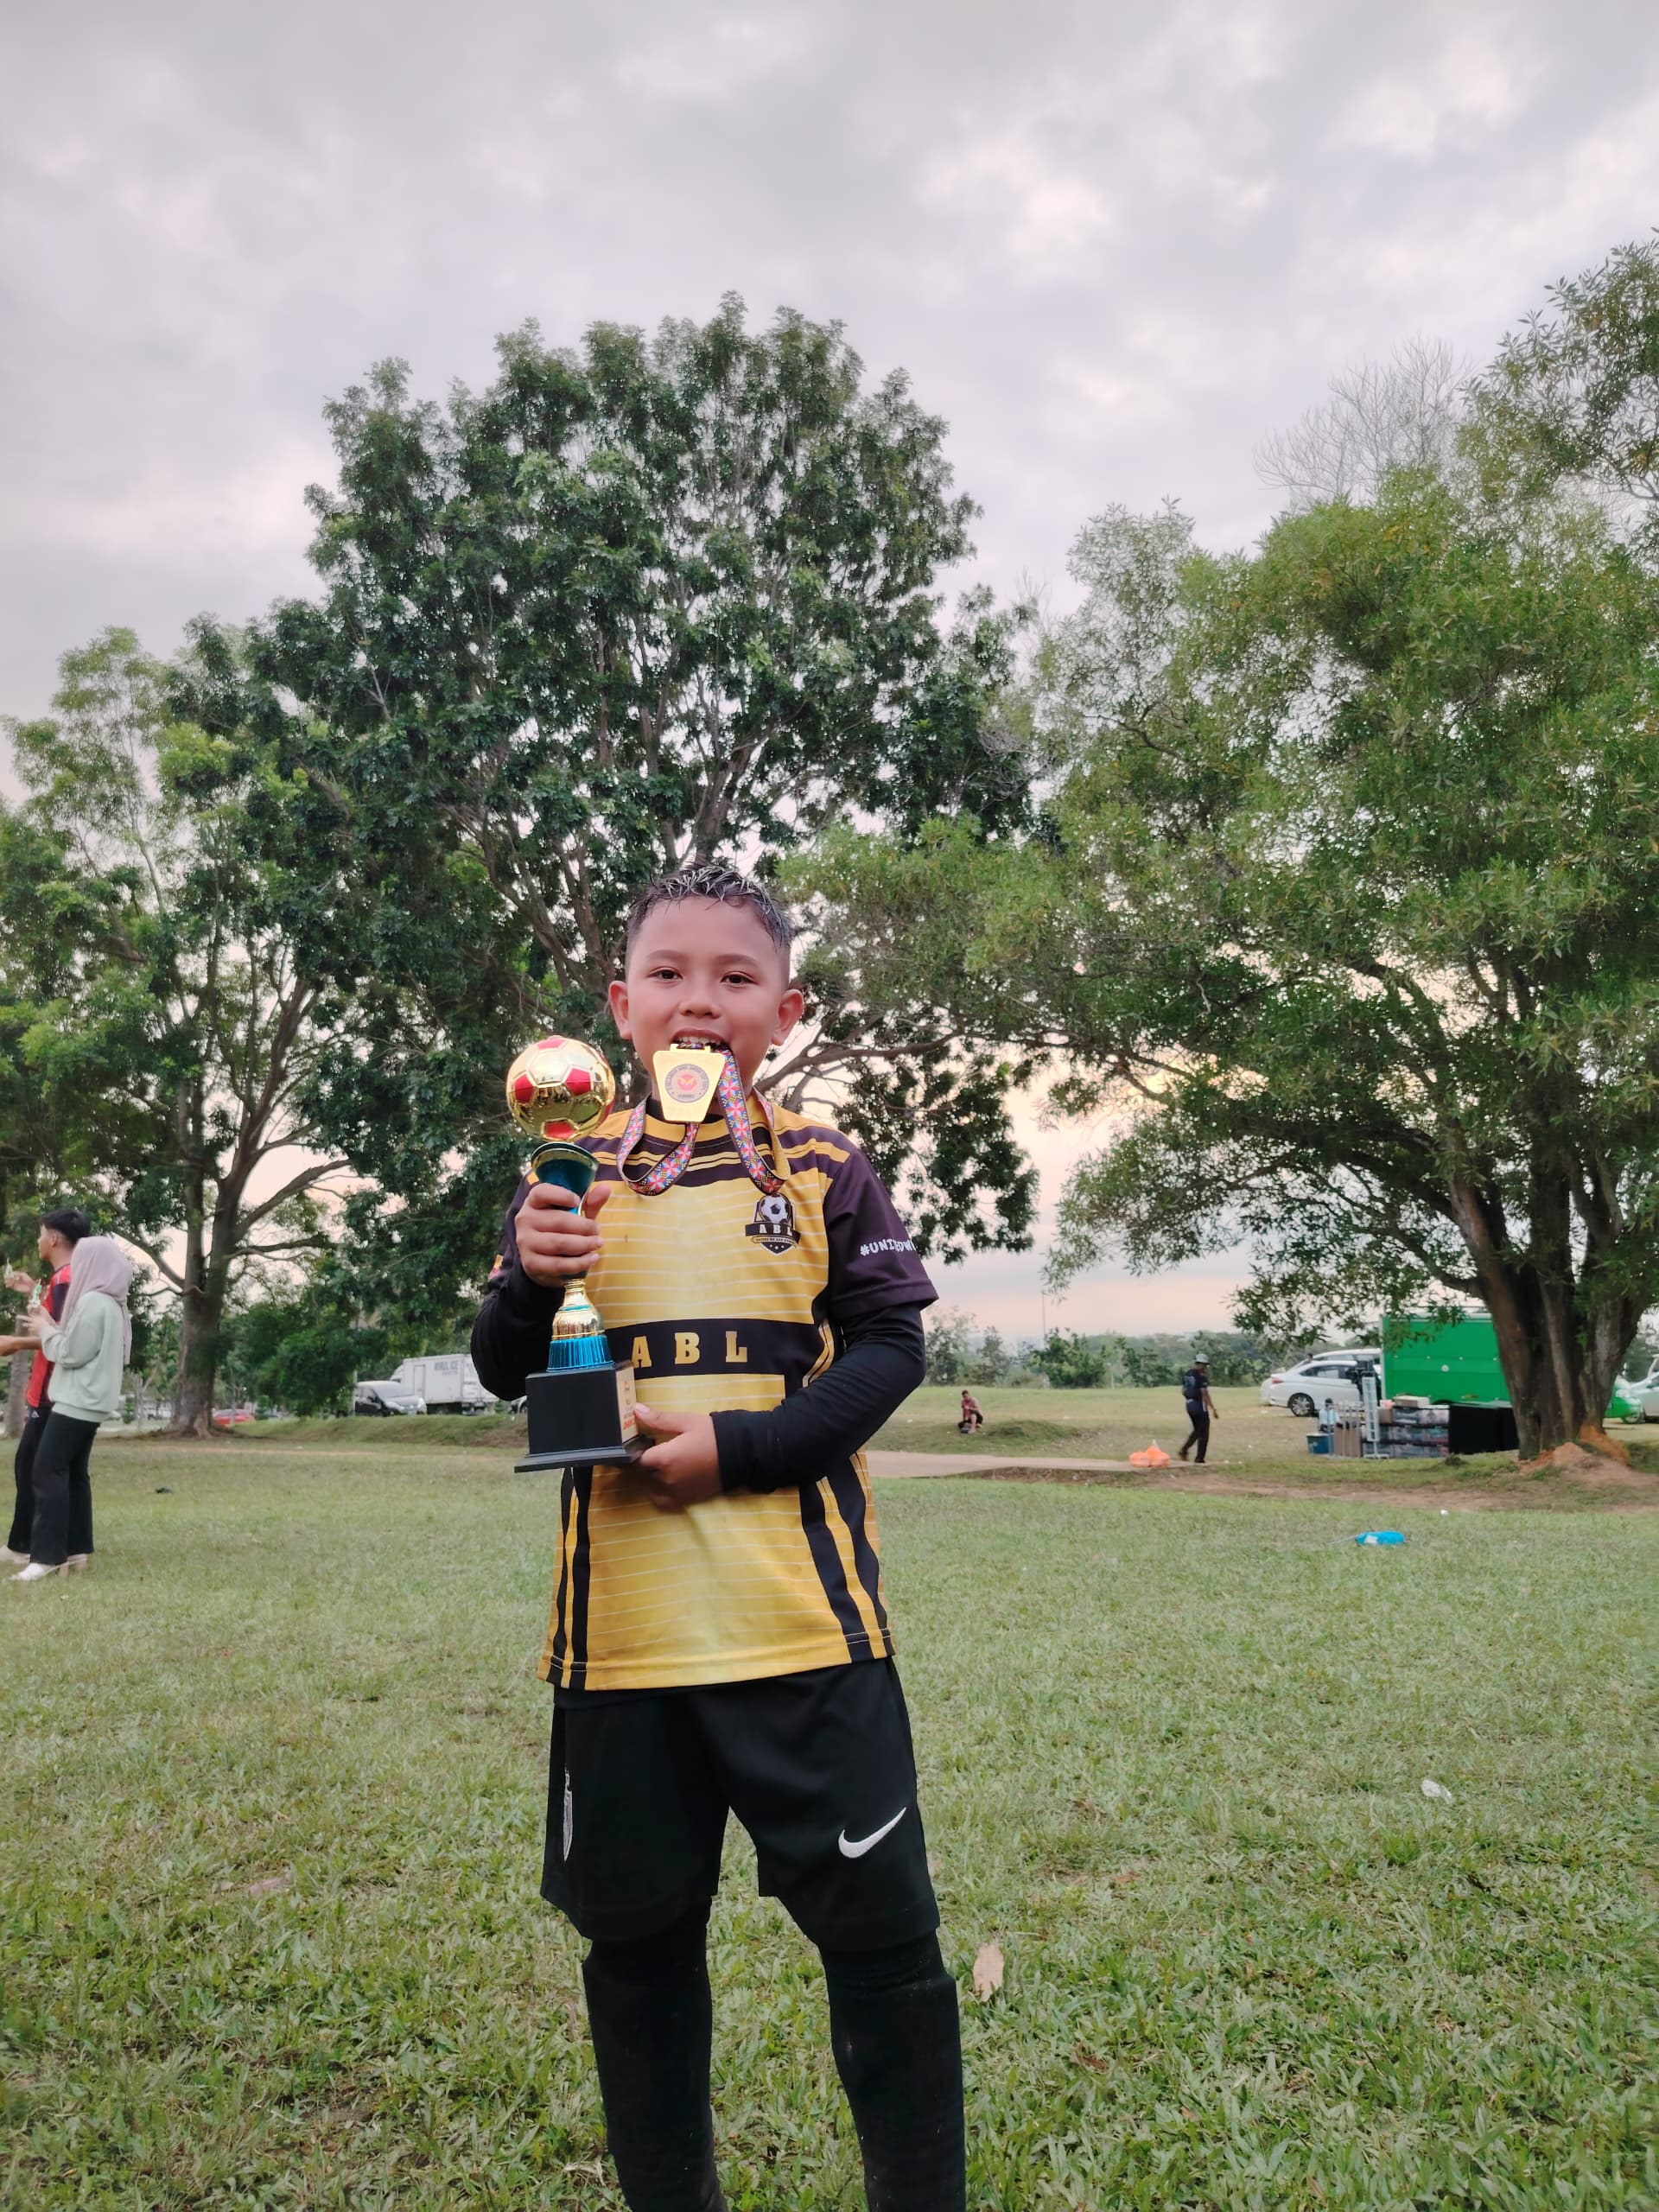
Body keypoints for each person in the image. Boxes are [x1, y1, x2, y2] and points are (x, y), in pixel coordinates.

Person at [473, 861, 963, 2212]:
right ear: (619, 1006)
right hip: (621, 1646)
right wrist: (531, 1281)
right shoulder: (570, 1172)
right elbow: (504, 1363)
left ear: (785, 1012)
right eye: (671, 975)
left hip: (804, 1630)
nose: (701, 1002)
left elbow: (891, 1349)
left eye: (736, 978)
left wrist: (739, 1448)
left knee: (884, 1945)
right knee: (635, 1951)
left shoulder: (824, 1165)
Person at [6, 1235, 132, 1583]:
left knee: (46, 1470)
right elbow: (77, 1341)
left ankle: (46, 1558)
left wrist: (45, 1332)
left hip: (78, 1400)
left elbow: (69, 1353)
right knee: (73, 1474)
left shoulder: (92, 1302)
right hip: (91, 1401)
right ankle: (76, 1550)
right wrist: (46, 1321)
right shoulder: (111, 1303)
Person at [1, 1208, 89, 1567]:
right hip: (58, 1390)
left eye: (40, 1234)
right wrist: (32, 1288)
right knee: (66, 1470)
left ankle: (26, 1548)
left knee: (35, 1468)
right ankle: (75, 1549)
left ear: (53, 1239)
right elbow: (50, 1319)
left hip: (52, 1390)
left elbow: (63, 1337)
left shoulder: (67, 1279)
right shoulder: (67, 1277)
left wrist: (14, 1343)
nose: (38, 1240)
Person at [1177, 1353, 1217, 1464]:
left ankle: (1186, 1451)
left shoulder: (1187, 1374)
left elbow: (1183, 1391)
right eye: (1205, 1366)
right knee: (1204, 1432)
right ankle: (1197, 1457)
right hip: (1199, 1406)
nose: (1206, 1368)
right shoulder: (1201, 1376)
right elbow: (1204, 1394)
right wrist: (1213, 1408)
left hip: (1189, 1405)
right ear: (1200, 1364)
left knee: (1198, 1430)